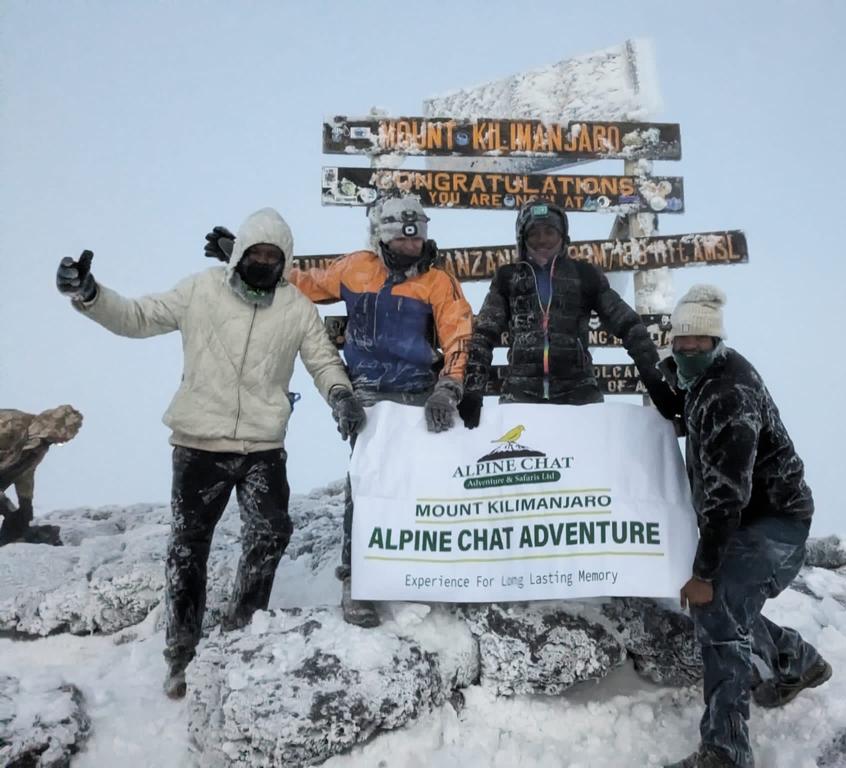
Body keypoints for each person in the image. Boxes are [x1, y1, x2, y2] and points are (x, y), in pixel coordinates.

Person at [58, 207, 364, 699]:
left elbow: (323, 361)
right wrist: (90, 295)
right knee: (188, 549)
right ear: (240, 253)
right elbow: (138, 316)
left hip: (263, 447)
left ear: (284, 261)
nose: (264, 262)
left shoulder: (296, 307)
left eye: (274, 256)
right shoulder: (200, 290)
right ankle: (181, 654)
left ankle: (244, 628)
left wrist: (341, 396)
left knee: (270, 533)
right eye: (256, 253)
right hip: (198, 445)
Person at [204, 196, 473, 627]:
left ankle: (423, 572)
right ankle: (358, 583)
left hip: (420, 393)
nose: (412, 244)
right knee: (366, 488)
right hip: (366, 392)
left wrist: (448, 388)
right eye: (403, 238)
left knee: (425, 486)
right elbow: (300, 283)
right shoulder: (355, 268)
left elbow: (459, 335)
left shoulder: (439, 282)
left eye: (418, 235)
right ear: (382, 237)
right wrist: (240, 254)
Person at [661, 285, 831, 768]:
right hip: (755, 519)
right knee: (727, 605)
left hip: (772, 523)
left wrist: (704, 573)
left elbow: (725, 499)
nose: (688, 348)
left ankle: (725, 751)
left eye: (699, 341)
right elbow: (680, 386)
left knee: (715, 609)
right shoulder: (705, 374)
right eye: (681, 341)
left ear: (717, 342)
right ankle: (795, 659)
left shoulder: (730, 398)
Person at [457, 199, 676, 422]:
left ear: (563, 236)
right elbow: (484, 334)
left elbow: (629, 326)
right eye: (534, 233)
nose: (542, 239)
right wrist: (473, 390)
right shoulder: (508, 278)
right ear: (522, 239)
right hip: (520, 396)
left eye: (550, 231)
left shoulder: (584, 275)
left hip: (579, 396)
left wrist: (655, 383)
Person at [0, 405, 83, 545]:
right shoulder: (10, 424)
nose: (63, 441)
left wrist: (25, 503)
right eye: (63, 436)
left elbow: (24, 473)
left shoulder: (39, 445)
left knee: (16, 519)